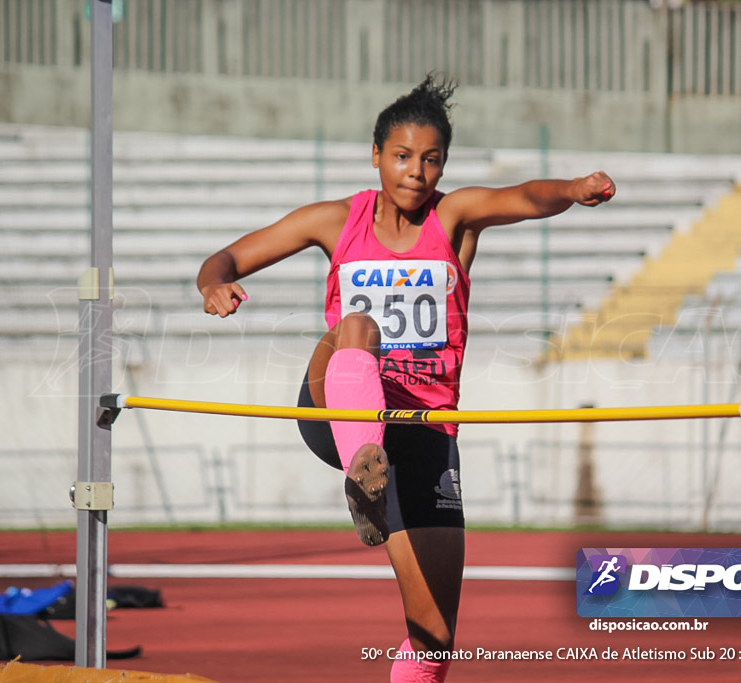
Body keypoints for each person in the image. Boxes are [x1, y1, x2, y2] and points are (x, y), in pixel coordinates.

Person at [197, 75, 614, 683]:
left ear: (442, 166)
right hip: (336, 409)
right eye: (401, 156)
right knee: (356, 325)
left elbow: (524, 196)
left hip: (422, 430)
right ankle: (363, 469)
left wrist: (574, 190)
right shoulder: (335, 220)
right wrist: (213, 286)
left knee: (434, 638)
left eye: (430, 160)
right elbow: (226, 258)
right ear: (375, 156)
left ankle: (374, 483)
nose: (416, 172)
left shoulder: (456, 218)